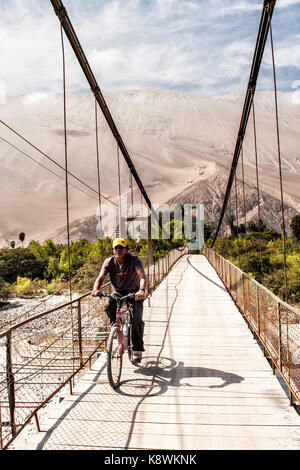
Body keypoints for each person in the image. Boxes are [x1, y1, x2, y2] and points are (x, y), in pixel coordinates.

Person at [92, 238, 147, 362]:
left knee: (136, 318)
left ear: (126, 249)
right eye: (116, 248)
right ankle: (117, 331)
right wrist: (96, 289)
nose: (118, 250)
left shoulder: (134, 260)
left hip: (134, 292)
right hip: (118, 291)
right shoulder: (109, 262)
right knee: (108, 306)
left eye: (121, 247)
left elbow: (142, 276)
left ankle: (137, 350)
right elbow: (101, 277)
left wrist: (141, 290)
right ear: (113, 250)